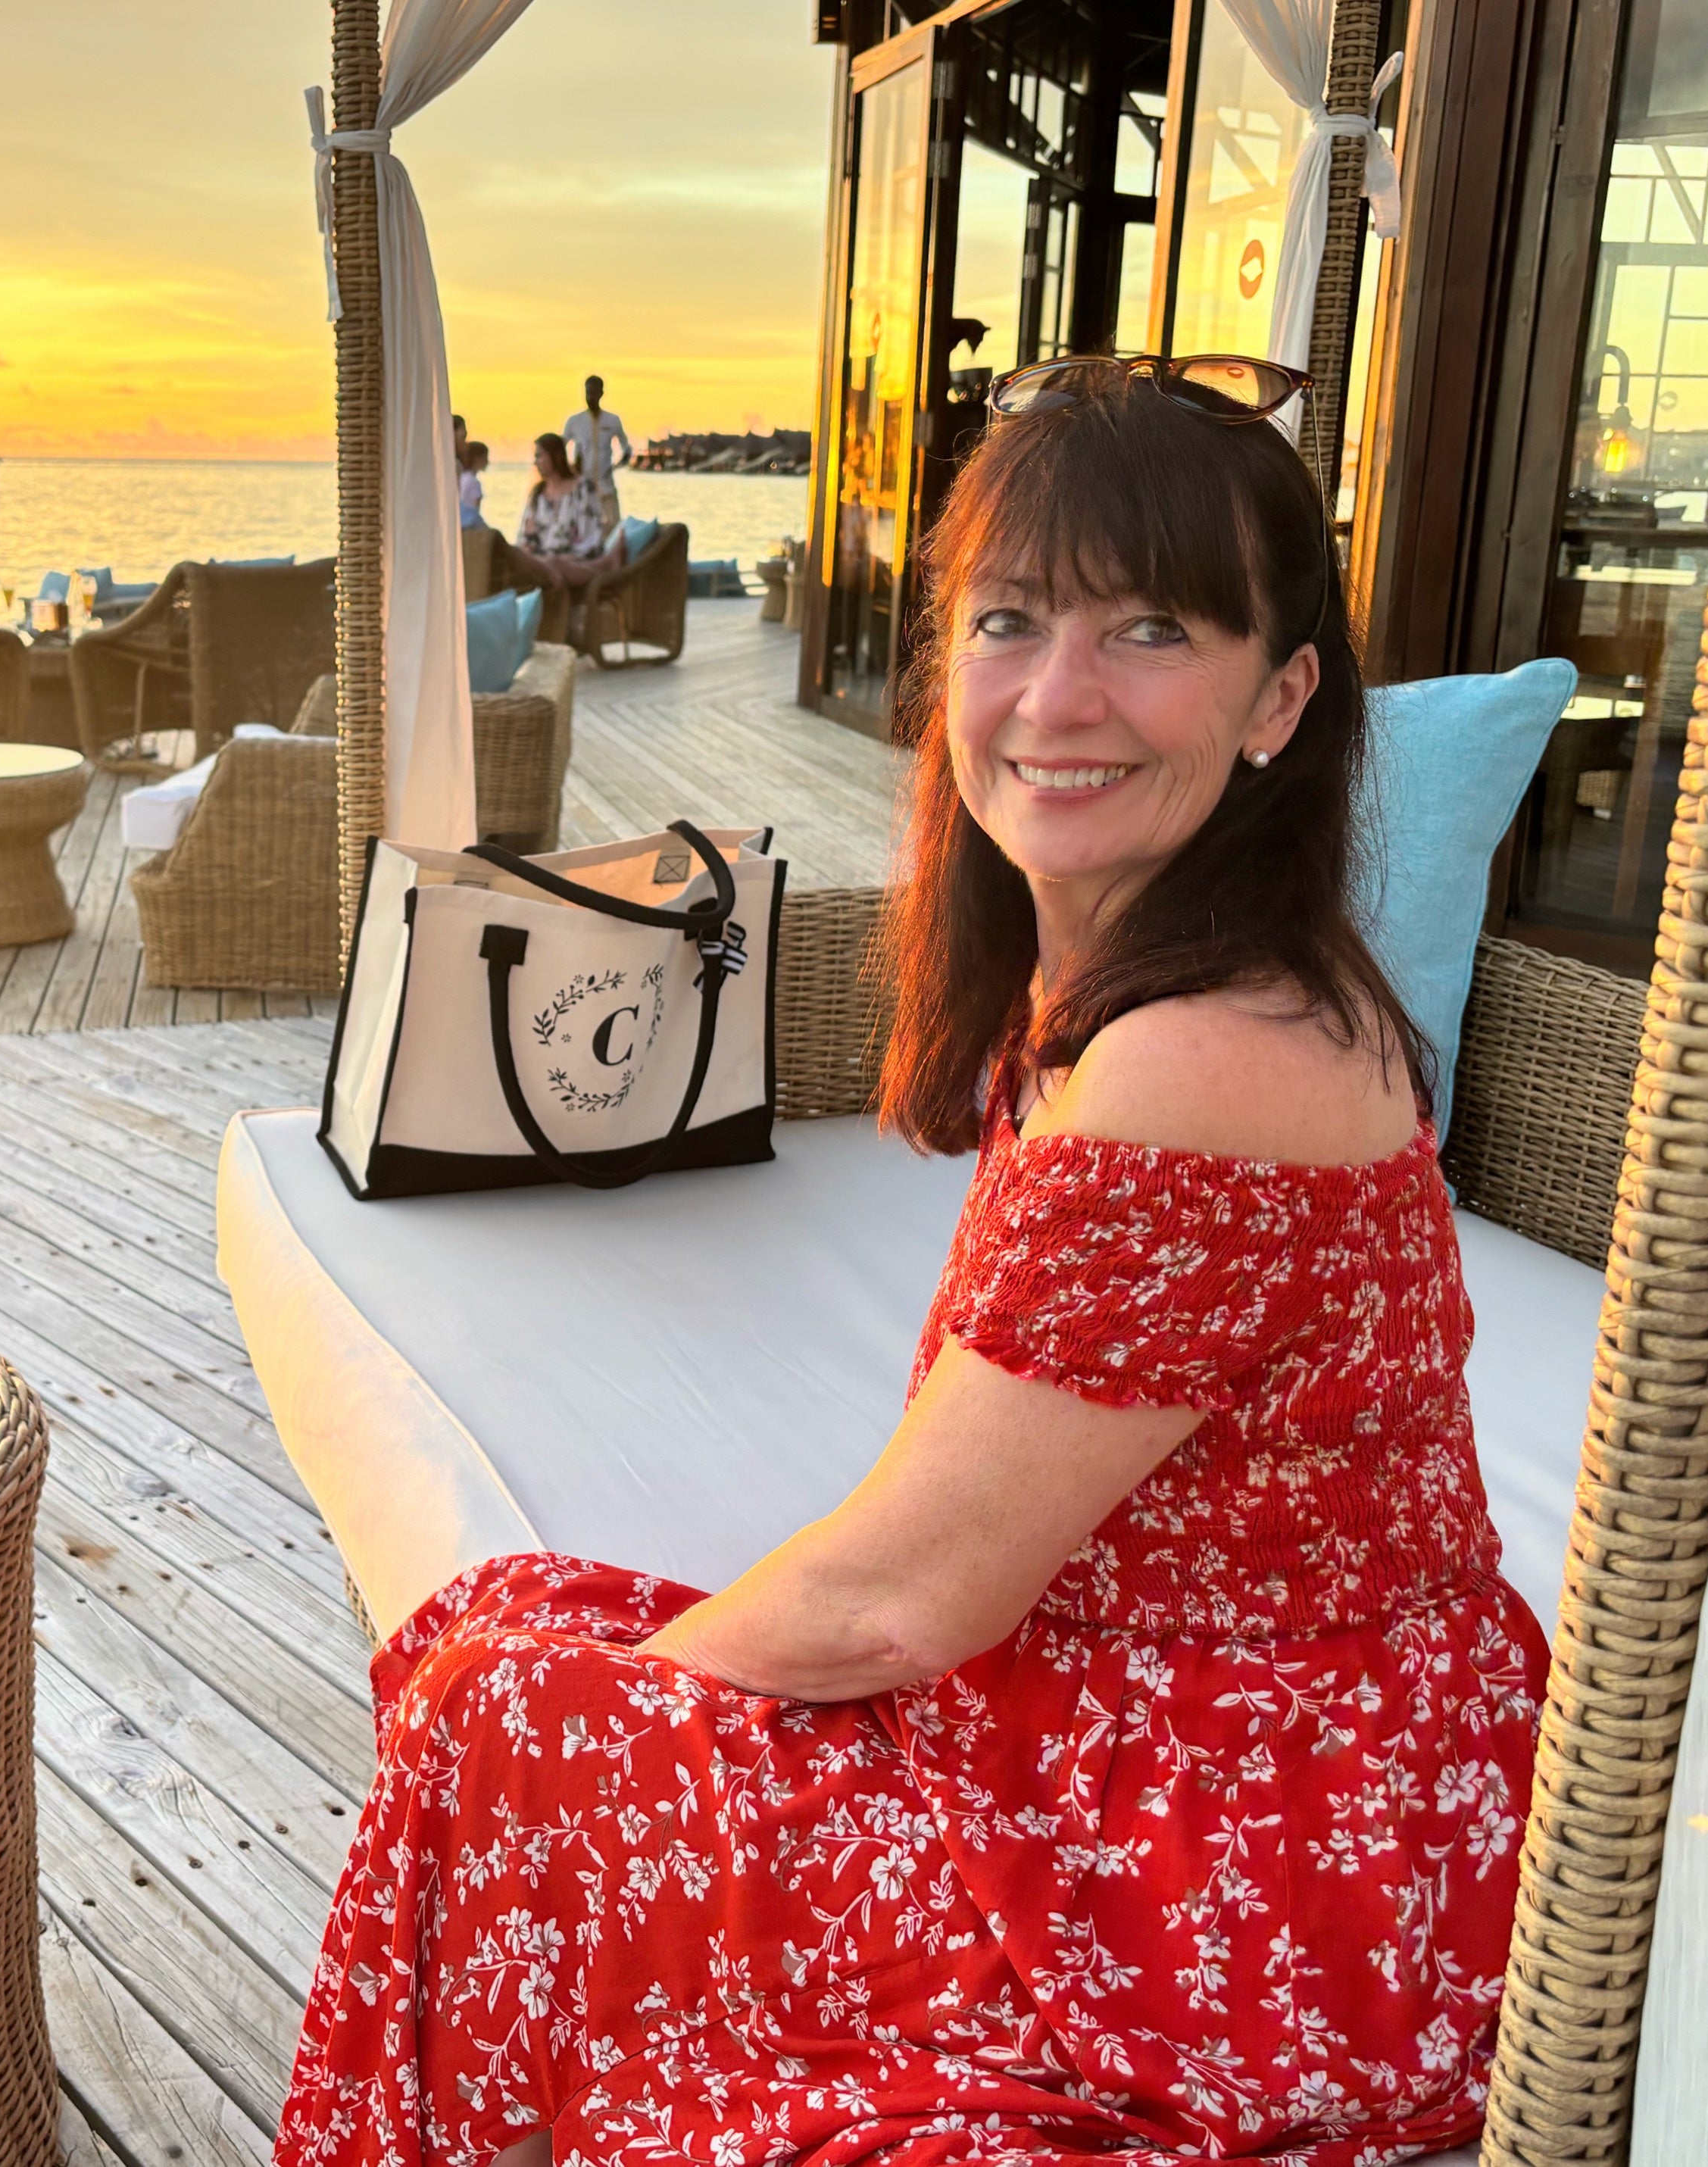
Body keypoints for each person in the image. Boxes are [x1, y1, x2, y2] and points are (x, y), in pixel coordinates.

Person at [273, 360, 1548, 2167]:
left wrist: (647, 1711)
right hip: (1248, 1736)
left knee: (513, 1722)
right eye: (1008, 620)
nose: (1052, 696)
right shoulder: (1136, 982)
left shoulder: (1202, 1055)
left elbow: (897, 1605)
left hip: (1260, 1854)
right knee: (505, 1629)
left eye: (1149, 629)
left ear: (1276, 700)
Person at [511, 432, 619, 604]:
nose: (536, 462)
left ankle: (604, 565)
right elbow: (527, 535)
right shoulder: (538, 494)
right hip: (541, 558)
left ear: (556, 456)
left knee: (555, 564)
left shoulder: (582, 488)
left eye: (540, 456)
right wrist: (525, 550)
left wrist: (571, 556)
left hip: (573, 558)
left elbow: (592, 532)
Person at [563, 373, 632, 528]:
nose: (590, 397)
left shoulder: (612, 420)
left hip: (605, 483)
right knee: (581, 526)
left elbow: (626, 448)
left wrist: (615, 467)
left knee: (613, 526)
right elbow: (559, 448)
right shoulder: (575, 421)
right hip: (582, 485)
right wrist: (571, 468)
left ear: (601, 393)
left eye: (594, 393)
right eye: (588, 393)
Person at [457, 439, 489, 530]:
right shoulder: (474, 482)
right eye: (485, 458)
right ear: (477, 458)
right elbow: (475, 511)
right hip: (469, 526)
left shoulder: (463, 477)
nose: (488, 462)